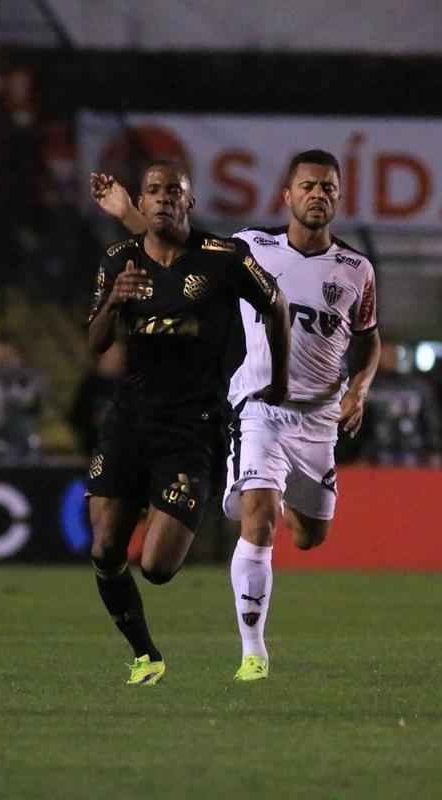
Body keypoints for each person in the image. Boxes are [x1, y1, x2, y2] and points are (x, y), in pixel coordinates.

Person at [91, 149, 380, 681]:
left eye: (329, 188)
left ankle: (249, 496)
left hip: (318, 420)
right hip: (259, 408)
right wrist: (126, 213)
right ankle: (254, 653)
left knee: (311, 536)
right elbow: (176, 242)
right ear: (287, 194)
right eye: (309, 186)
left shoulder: (356, 269)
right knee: (261, 522)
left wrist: (358, 390)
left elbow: (368, 341)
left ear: (339, 198)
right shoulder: (250, 247)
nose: (319, 195)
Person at [85, 160, 291, 686]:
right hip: (127, 421)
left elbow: (277, 304)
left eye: (173, 192)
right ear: (142, 201)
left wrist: (281, 381)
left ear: (189, 202)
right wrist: (114, 302)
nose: (163, 199)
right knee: (105, 548)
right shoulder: (118, 261)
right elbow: (95, 344)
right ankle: (145, 655)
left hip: (192, 428)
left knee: (156, 567)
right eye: (152, 191)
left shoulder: (223, 259)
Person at [341, 340, 442, 467]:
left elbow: (430, 420)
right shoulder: (364, 388)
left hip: (413, 453)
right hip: (377, 455)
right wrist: (356, 455)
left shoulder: (417, 387)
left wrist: (434, 449)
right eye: (384, 352)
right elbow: (354, 425)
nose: (389, 357)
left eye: (392, 353)